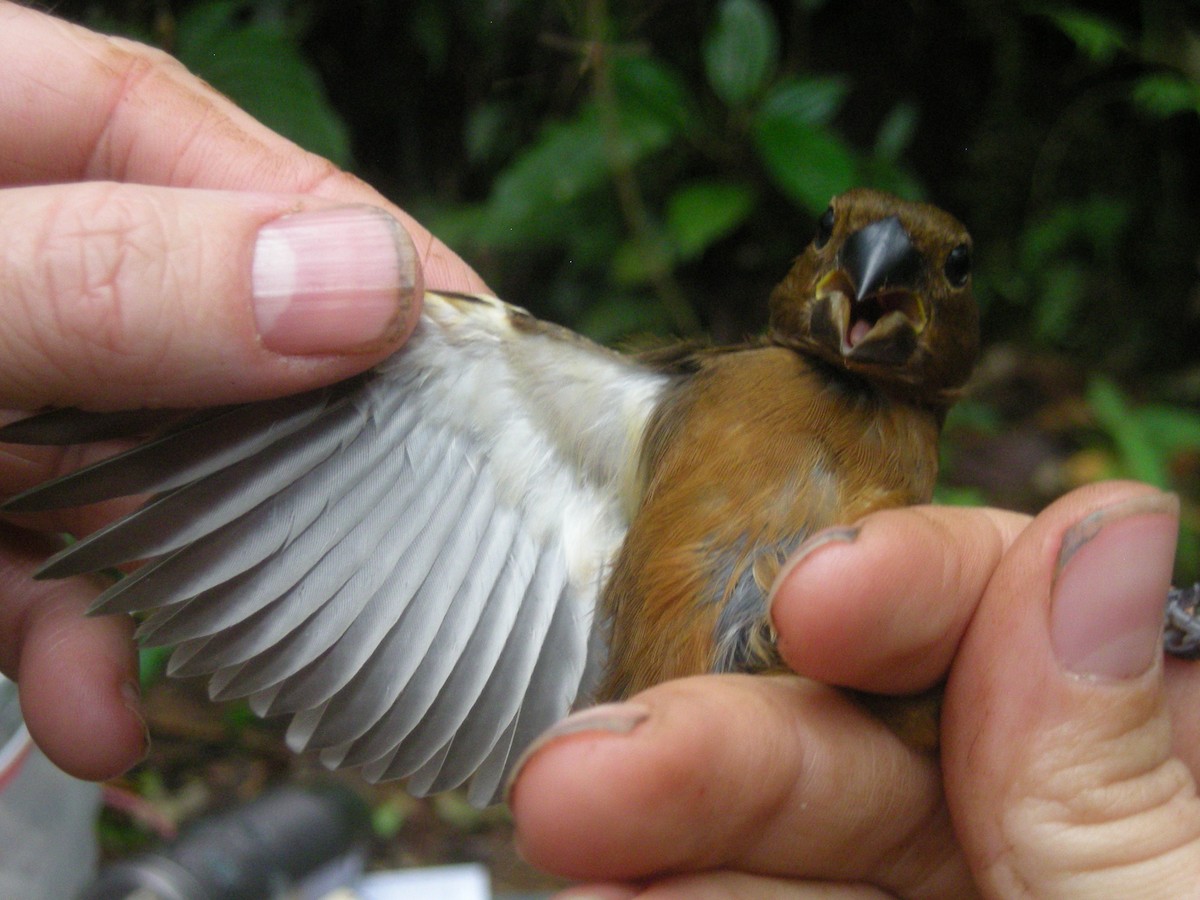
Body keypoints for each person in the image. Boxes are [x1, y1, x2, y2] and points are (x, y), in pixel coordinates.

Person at [1, 3, 1197, 896]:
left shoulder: (901, 454)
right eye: (841, 234)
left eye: (944, 270)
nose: (874, 267)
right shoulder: (675, 411)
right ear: (815, 266)